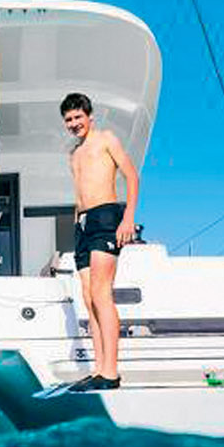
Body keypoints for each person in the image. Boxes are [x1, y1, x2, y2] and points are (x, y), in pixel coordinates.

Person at [60, 92, 140, 392]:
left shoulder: (106, 138)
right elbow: (79, 192)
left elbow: (131, 177)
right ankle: (98, 369)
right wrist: (75, 222)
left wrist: (127, 218)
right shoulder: (74, 154)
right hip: (82, 223)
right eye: (68, 120)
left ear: (89, 116)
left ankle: (111, 372)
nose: (74, 123)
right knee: (88, 296)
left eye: (78, 117)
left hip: (106, 216)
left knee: (101, 292)